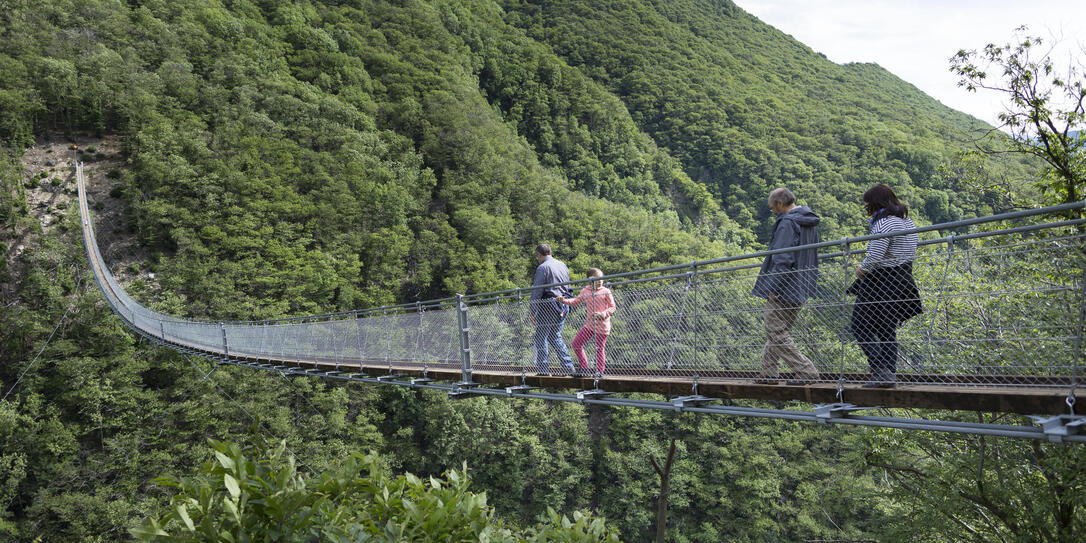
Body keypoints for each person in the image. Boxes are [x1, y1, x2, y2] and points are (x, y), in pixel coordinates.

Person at [849, 184, 922, 388]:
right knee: (886, 329)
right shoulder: (908, 222)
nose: (868, 209)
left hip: (880, 281)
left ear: (875, 203)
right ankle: (888, 372)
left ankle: (880, 370)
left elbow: (875, 256)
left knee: (859, 325)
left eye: (868, 205)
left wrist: (861, 270)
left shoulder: (884, 224)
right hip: (903, 278)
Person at [751, 187, 821, 385]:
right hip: (802, 284)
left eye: (772, 207)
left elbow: (782, 259)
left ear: (780, 204)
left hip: (784, 286)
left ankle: (807, 372)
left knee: (775, 331)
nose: (772, 212)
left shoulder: (787, 223)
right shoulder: (808, 221)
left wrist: (774, 287)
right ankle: (769, 371)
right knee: (778, 332)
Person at [557, 268, 616, 377]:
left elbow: (613, 307)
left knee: (599, 348)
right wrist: (564, 300)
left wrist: (603, 314)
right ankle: (584, 368)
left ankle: (599, 372)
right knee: (576, 344)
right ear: (590, 280)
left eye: (601, 278)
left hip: (602, 325)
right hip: (590, 325)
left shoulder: (606, 291)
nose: (600, 281)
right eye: (597, 279)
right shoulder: (586, 291)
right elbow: (576, 301)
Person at [530, 244, 575, 375]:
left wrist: (533, 312)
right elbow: (567, 287)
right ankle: (568, 366)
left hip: (548, 305)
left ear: (539, 254)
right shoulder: (562, 265)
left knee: (540, 337)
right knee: (555, 336)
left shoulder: (542, 267)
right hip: (563, 304)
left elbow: (537, 291)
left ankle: (543, 370)